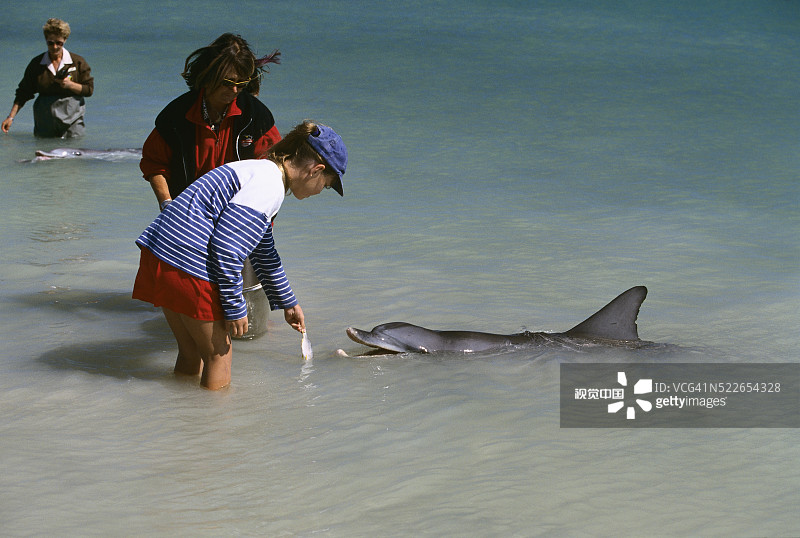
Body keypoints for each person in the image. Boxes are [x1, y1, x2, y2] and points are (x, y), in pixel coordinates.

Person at [132, 121, 347, 390]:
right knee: (219, 356)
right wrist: (235, 307)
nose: (319, 192)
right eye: (325, 185)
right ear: (316, 170)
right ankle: (216, 427)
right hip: (187, 261)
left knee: (192, 354)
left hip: (161, 253)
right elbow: (226, 247)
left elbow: (264, 251)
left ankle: (183, 419)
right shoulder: (269, 187)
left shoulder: (259, 170)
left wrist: (288, 302)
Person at [140, 33, 282, 338]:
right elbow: (154, 164)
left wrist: (264, 223)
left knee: (252, 332)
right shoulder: (175, 116)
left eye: (241, 84)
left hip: (241, 218)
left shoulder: (256, 116)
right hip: (191, 217)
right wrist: (167, 206)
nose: (234, 92)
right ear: (207, 77)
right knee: (197, 312)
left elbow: (274, 168)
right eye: (227, 83)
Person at [2, 18, 93, 138]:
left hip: (72, 120)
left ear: (65, 40)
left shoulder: (77, 62)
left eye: (59, 43)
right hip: (45, 120)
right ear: (46, 40)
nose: (54, 47)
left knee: (73, 154)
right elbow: (23, 92)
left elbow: (89, 90)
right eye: (50, 43)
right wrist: (10, 117)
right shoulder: (37, 64)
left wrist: (71, 85)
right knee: (44, 153)